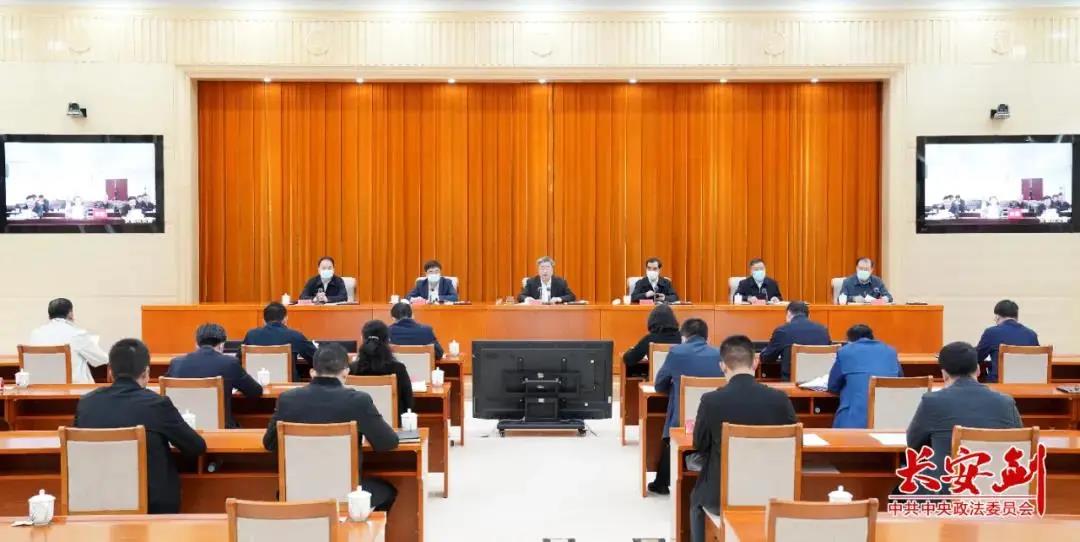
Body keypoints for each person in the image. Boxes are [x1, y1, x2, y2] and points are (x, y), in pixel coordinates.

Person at [74, 338, 207, 514]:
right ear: (146, 373)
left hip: (99, 502)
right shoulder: (157, 405)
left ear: (109, 372)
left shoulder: (87, 404)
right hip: (153, 508)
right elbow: (196, 447)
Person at [263, 343, 400, 511]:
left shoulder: (287, 399)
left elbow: (269, 444)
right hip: (346, 495)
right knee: (387, 491)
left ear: (312, 372)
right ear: (346, 372)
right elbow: (388, 443)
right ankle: (358, 526)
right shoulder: (358, 401)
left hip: (297, 493)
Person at [690, 335, 797, 542]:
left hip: (722, 497)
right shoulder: (780, 399)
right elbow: (794, 444)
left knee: (696, 498)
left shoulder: (711, 400)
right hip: (774, 493)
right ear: (755, 362)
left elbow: (699, 444)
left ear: (722, 366)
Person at [906, 341, 1022, 493]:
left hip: (947, 492)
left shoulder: (932, 402)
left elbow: (913, 444)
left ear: (944, 374)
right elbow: (1020, 447)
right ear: (978, 370)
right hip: (996, 490)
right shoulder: (1006, 402)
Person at [650, 318, 724, 495]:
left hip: (683, 420)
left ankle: (662, 481)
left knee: (674, 408)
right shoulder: (719, 354)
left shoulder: (676, 352)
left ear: (684, 336)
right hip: (715, 418)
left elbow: (659, 385)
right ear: (707, 337)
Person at [165, 323, 263, 428]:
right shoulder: (229, 363)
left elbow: (166, 394)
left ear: (196, 344)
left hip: (184, 428)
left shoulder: (176, 363)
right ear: (221, 345)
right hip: (220, 429)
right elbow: (255, 391)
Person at [827, 324, 903, 429]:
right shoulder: (890, 351)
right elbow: (900, 380)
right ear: (872, 337)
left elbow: (832, 386)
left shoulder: (845, 352)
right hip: (889, 420)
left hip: (853, 422)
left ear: (849, 341)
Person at [28, 298, 108, 384]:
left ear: (49, 316)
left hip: (42, 388)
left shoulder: (35, 334)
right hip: (74, 388)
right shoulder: (77, 334)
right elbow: (101, 359)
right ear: (70, 314)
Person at [350, 320, 414, 417]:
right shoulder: (399, 369)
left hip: (359, 425)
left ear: (362, 338)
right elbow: (409, 404)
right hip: (391, 425)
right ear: (388, 340)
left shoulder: (352, 369)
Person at [760, 301, 831, 381]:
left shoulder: (783, 331)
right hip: (819, 382)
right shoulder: (823, 330)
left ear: (789, 314)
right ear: (808, 316)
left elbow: (767, 358)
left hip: (791, 383)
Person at [242, 302, 317, 379]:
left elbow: (239, 360)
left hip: (256, 384)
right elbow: (317, 358)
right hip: (287, 385)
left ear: (263, 320)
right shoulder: (295, 336)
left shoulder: (251, 335)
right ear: (285, 319)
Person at [975, 299, 1039, 383]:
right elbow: (1037, 361)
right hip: (1027, 384)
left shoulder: (991, 332)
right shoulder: (1032, 334)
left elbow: (977, 356)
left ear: (997, 317)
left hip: (998, 385)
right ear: (1016, 317)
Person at [621, 304, 682, 378]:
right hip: (678, 380)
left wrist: (630, 350)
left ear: (652, 320)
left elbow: (629, 359)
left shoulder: (649, 339)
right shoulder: (683, 337)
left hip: (656, 381)